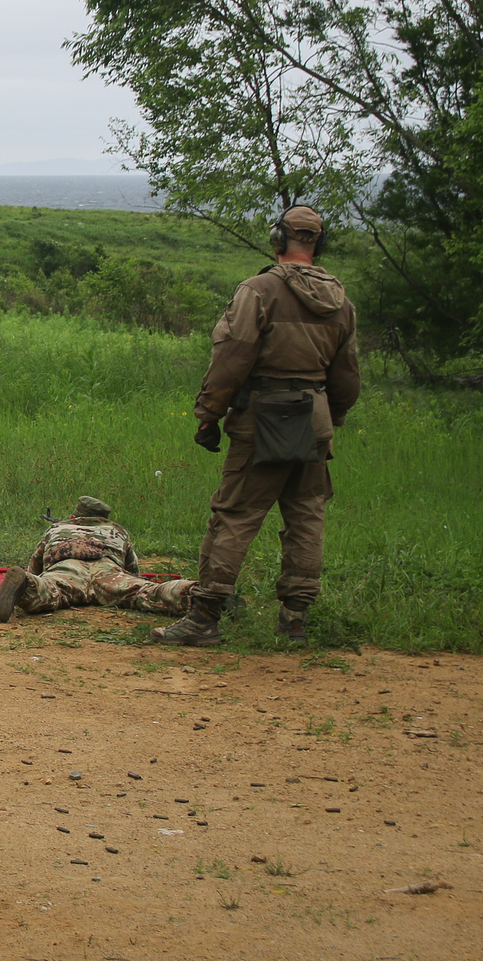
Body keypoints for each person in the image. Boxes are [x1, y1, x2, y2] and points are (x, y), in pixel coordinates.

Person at [152, 205, 360, 647]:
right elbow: (347, 378)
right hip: (314, 420)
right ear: (318, 244)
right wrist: (329, 419)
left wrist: (209, 413)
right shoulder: (341, 302)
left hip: (262, 419)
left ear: (278, 239)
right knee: (306, 518)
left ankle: (204, 618)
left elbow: (232, 358)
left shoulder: (259, 291)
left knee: (235, 516)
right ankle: (295, 621)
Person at [0, 497, 191, 622]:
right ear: (106, 520)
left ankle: (26, 586)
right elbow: (133, 570)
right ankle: (190, 592)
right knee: (144, 592)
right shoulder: (118, 531)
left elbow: (35, 564)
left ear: (74, 516)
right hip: (107, 570)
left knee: (51, 591)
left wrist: (31, 577)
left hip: (67, 567)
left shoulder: (57, 528)